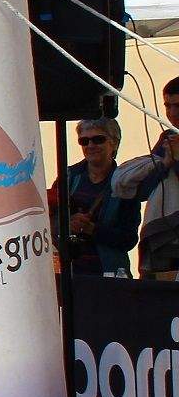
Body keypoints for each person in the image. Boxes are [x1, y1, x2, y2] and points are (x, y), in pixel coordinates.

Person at [53, 118, 136, 277]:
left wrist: (92, 229)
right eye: (84, 141)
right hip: (69, 274)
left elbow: (129, 238)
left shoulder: (125, 182)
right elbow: (47, 221)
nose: (90, 145)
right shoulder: (68, 177)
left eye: (98, 139)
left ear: (114, 143)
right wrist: (67, 224)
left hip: (109, 274)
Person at [113, 81, 179, 276]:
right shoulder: (168, 137)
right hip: (165, 237)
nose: (172, 113)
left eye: (178, 106)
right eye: (168, 106)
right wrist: (166, 163)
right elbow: (145, 190)